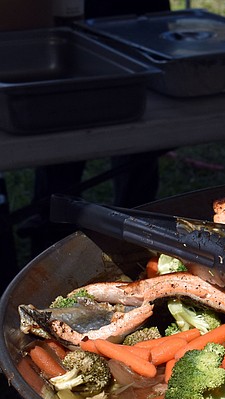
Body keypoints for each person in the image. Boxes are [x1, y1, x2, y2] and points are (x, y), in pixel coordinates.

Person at [30, 0, 171, 253]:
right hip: (71, 22)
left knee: (139, 146)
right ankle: (51, 247)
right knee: (62, 144)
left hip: (138, 19)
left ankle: (138, 244)